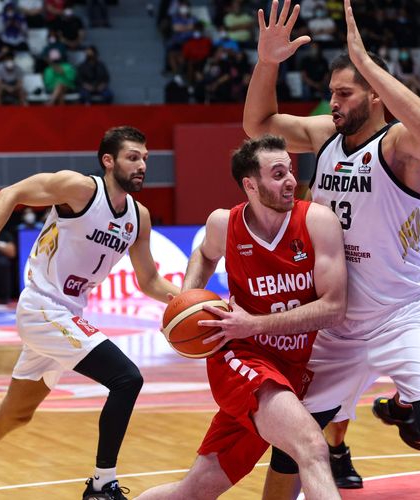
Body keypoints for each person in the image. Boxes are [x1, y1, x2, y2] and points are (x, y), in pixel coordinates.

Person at [243, 0, 420, 497]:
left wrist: (366, 63)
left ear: (375, 95)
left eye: (344, 93)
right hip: (337, 323)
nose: (334, 103)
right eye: (331, 94)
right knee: (292, 443)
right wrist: (267, 62)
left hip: (402, 316)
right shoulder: (325, 136)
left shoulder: (397, 146)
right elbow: (258, 126)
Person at [0, 126, 180, 500]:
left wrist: (190, 300)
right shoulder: (80, 189)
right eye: (133, 157)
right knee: (126, 379)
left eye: (145, 159)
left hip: (67, 313)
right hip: (44, 306)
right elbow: (12, 193)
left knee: (15, 414)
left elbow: (149, 280)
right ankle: (102, 486)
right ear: (109, 161)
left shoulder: (140, 217)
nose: (141, 165)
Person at [135, 135, 347, 500]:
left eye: (291, 171)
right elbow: (203, 254)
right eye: (277, 173)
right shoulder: (224, 223)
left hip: (289, 367)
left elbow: (334, 308)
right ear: (250, 184)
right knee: (311, 446)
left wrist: (256, 322)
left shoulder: (316, 220)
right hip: (240, 358)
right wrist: (186, 300)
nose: (291, 181)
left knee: (196, 490)